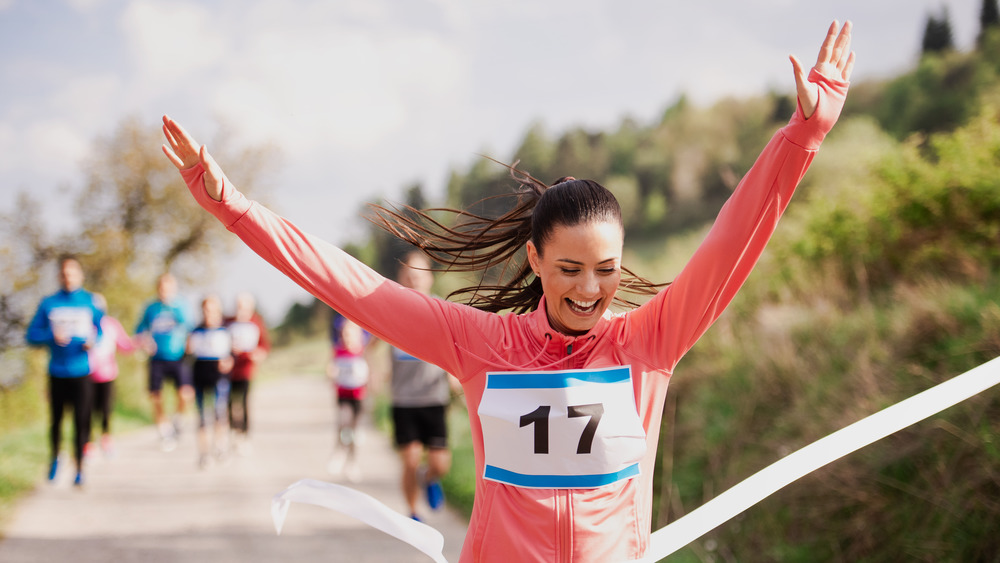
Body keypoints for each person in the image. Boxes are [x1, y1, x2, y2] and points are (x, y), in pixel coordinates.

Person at [162, 21, 854, 562]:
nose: (591, 289)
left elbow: (732, 241)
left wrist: (803, 136)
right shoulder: (482, 343)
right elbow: (353, 287)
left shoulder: (650, 341)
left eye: (606, 268)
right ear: (534, 258)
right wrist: (234, 207)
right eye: (570, 268)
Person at [389, 250, 458, 521]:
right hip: (404, 399)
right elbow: (369, 341)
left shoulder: (442, 310)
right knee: (410, 460)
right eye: (408, 275)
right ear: (401, 278)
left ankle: (429, 478)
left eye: (419, 275)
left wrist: (454, 375)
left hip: (434, 397)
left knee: (440, 464)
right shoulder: (391, 310)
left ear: (429, 278)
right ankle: (413, 512)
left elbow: (455, 347)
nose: (414, 279)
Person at [25, 256, 103, 487]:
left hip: (82, 371)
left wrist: (93, 340)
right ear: (60, 276)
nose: (68, 277)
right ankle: (54, 458)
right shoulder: (49, 303)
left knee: (82, 421)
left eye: (72, 273)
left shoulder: (90, 302)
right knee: (56, 421)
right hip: (57, 371)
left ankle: (80, 468)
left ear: (80, 275)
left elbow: (100, 328)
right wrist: (51, 337)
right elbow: (31, 335)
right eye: (64, 273)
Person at [135, 272, 193, 451]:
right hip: (157, 358)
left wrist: (189, 347)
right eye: (161, 287)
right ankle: (164, 430)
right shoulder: (151, 308)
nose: (164, 291)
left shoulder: (180, 306)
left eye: (168, 287)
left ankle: (178, 418)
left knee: (185, 394)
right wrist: (145, 342)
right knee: (156, 396)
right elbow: (139, 331)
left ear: (174, 289)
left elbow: (190, 329)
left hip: (178, 357)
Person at [86, 293, 137, 459]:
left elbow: (125, 345)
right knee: (87, 410)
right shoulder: (85, 324)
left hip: (108, 374)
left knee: (106, 410)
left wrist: (139, 342)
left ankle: (106, 440)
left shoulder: (111, 324)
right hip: (86, 373)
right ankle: (88, 445)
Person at [187, 294, 233, 468]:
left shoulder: (225, 331)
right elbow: (187, 358)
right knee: (201, 418)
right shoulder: (195, 331)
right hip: (199, 376)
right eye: (206, 310)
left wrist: (229, 361)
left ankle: (220, 445)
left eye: (213, 310)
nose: (209, 313)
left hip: (219, 378)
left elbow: (232, 354)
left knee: (219, 413)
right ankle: (203, 453)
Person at [326, 314, 371, 483]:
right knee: (343, 423)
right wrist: (330, 373)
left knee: (354, 432)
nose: (347, 337)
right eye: (344, 333)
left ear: (359, 335)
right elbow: (330, 368)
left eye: (350, 333)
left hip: (358, 397)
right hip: (343, 394)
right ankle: (338, 452)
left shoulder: (362, 352)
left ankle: (352, 462)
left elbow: (370, 373)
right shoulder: (338, 351)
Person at [225, 291, 270, 454]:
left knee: (243, 403)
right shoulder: (227, 322)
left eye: (244, 307)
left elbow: (264, 345)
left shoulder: (256, 323)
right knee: (229, 403)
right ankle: (232, 432)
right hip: (229, 370)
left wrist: (258, 354)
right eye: (238, 306)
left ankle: (244, 435)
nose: (241, 310)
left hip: (246, 369)